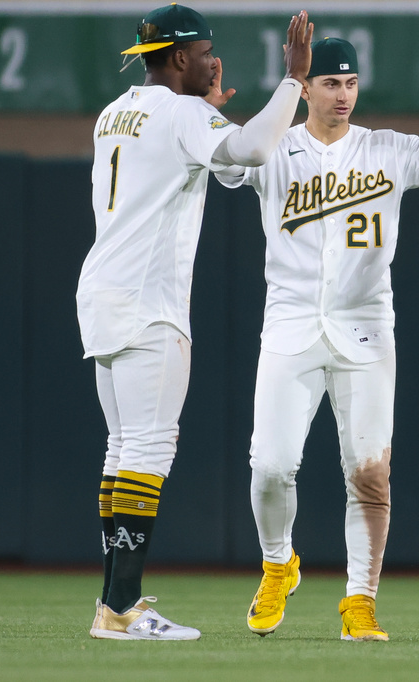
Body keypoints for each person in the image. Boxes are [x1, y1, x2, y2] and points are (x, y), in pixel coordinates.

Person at [215, 37, 419, 641]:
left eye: (350, 83)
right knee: (270, 468)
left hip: (365, 331)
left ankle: (360, 601)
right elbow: (223, 157)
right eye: (330, 83)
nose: (343, 94)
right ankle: (279, 564)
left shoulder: (386, 149)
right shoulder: (275, 147)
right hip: (290, 328)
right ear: (305, 88)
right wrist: (214, 107)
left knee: (369, 474)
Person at [77, 3, 313, 640]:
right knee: (148, 450)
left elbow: (227, 167)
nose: (214, 60)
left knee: (122, 449)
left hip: (101, 292)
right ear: (180, 57)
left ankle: (112, 605)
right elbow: (256, 150)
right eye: (206, 51)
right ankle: (123, 609)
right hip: (149, 303)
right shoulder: (184, 112)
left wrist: (213, 113)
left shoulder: (114, 111)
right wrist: (293, 79)